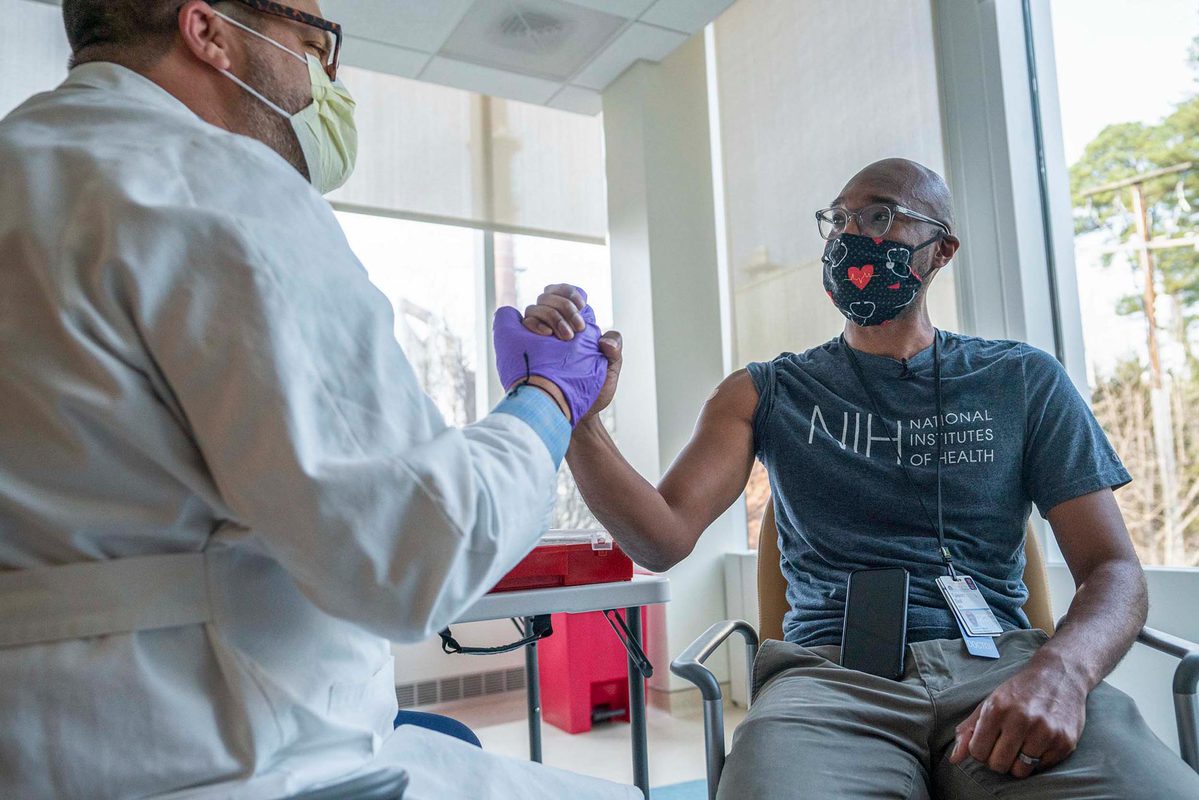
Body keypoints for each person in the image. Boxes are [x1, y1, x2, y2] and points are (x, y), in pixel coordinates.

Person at [0, 1, 633, 798]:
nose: (327, 85)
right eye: (311, 43)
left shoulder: (25, 164)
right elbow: (413, 549)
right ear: (210, 33)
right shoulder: (213, 178)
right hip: (227, 759)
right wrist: (547, 400)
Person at [522, 158, 1199, 798]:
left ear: (940, 250)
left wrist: (1062, 673)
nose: (850, 234)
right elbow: (659, 537)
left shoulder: (1020, 379)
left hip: (1006, 669)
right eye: (837, 219)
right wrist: (574, 416)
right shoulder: (764, 392)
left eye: (878, 217)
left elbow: (1114, 570)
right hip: (829, 684)